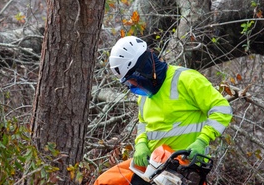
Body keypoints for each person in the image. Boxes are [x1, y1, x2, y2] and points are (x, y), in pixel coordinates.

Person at [94, 36, 232, 185]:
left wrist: (202, 141)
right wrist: (141, 144)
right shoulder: (145, 97)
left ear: (143, 69)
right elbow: (143, 124)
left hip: (183, 166)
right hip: (154, 163)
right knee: (105, 182)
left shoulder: (186, 79)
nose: (133, 84)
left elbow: (222, 109)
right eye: (129, 82)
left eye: (133, 79)